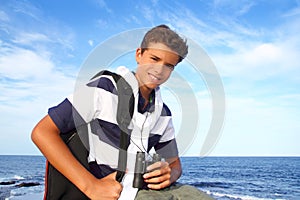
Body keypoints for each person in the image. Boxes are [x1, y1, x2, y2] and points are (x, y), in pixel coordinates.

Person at [31, 24, 214, 200]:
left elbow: (175, 164)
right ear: (139, 54)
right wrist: (92, 186)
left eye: (169, 66)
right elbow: (42, 132)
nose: (160, 70)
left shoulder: (163, 113)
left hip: (142, 190)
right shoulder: (104, 88)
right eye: (154, 59)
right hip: (113, 192)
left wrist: (170, 174)